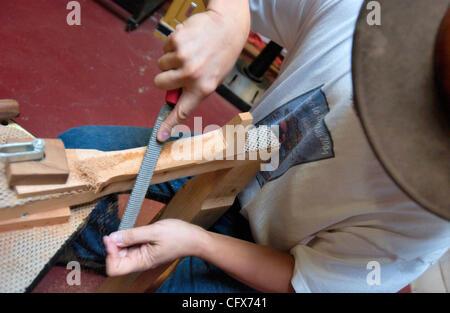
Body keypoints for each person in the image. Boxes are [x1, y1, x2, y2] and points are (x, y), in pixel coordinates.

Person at [63, 0, 450, 292]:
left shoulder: (431, 217)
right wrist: (225, 20)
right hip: (227, 152)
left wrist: (197, 242)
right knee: (73, 158)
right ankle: (111, 250)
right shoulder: (368, 13)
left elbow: (302, 280)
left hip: (267, 248)